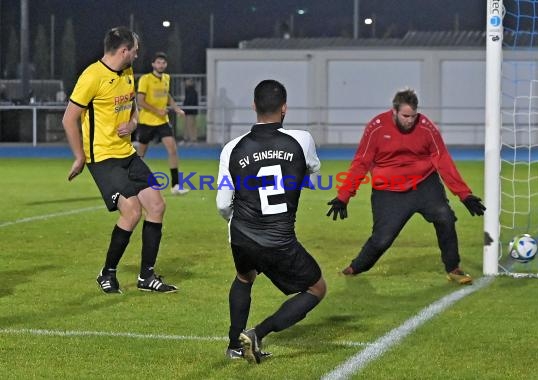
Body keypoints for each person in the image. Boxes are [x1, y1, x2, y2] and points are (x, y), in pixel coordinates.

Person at [216, 79, 327, 363]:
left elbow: (222, 204)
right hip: (279, 238)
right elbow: (312, 171)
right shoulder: (302, 140)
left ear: (254, 106)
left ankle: (233, 345)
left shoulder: (232, 148)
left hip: (242, 233)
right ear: (285, 108)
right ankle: (258, 333)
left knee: (244, 276)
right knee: (316, 288)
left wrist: (239, 220)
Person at [326, 88, 485, 285]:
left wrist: (464, 195)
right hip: (389, 191)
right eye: (405, 116)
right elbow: (361, 162)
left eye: (413, 115)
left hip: (424, 184)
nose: (410, 120)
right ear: (394, 111)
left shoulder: (427, 128)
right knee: (382, 239)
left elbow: (442, 160)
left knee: (445, 217)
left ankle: (454, 268)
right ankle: (355, 267)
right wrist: (344, 196)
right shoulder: (376, 128)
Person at [62, 26, 178, 294]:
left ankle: (146, 277)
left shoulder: (126, 72)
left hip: (126, 153)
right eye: (135, 50)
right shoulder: (92, 76)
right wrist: (79, 156)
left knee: (157, 206)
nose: (137, 55)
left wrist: (134, 122)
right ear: (124, 50)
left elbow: (132, 107)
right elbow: (69, 118)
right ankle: (107, 272)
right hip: (102, 157)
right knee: (133, 210)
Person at [135, 52, 189, 195]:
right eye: (158, 62)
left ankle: (176, 185)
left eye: (163, 63)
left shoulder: (166, 78)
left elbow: (167, 95)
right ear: (153, 64)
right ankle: (134, 180)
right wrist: (156, 111)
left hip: (162, 122)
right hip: (146, 121)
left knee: (172, 149)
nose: (161, 65)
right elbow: (140, 101)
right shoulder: (145, 79)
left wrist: (176, 108)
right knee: (141, 153)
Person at [181, 78, 199, 145]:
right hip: (188, 111)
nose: (186, 83)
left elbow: (189, 102)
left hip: (190, 112)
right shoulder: (188, 91)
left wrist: (185, 109)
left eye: (188, 82)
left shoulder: (193, 92)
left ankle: (193, 140)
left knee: (191, 126)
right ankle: (185, 139)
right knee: (186, 126)